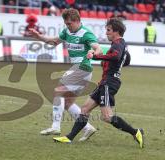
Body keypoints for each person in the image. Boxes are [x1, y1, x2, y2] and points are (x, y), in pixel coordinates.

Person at [53, 18, 144, 149]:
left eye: (108, 30)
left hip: (109, 83)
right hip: (105, 82)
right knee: (84, 109)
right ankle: (69, 137)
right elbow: (125, 59)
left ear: (116, 31)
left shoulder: (118, 43)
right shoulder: (121, 44)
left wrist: (95, 57)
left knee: (107, 117)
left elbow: (116, 57)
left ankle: (136, 132)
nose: (106, 33)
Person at [29, 8, 102, 141]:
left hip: (82, 67)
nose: (67, 26)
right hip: (80, 70)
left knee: (58, 91)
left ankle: (55, 126)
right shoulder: (67, 31)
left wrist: (93, 52)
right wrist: (39, 36)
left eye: (69, 23)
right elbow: (53, 42)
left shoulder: (86, 33)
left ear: (78, 21)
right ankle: (88, 128)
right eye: (66, 23)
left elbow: (98, 48)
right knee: (68, 103)